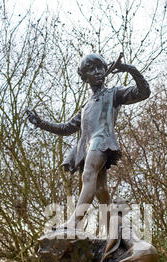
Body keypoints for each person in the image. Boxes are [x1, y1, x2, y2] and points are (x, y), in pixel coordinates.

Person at [26, 52, 151, 230]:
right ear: (85, 77)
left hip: (102, 141)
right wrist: (40, 123)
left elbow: (143, 92)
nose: (98, 72)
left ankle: (74, 223)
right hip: (88, 145)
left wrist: (128, 69)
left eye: (101, 67)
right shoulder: (86, 106)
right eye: (92, 69)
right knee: (101, 191)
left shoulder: (113, 94)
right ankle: (114, 230)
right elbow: (66, 128)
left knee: (88, 175)